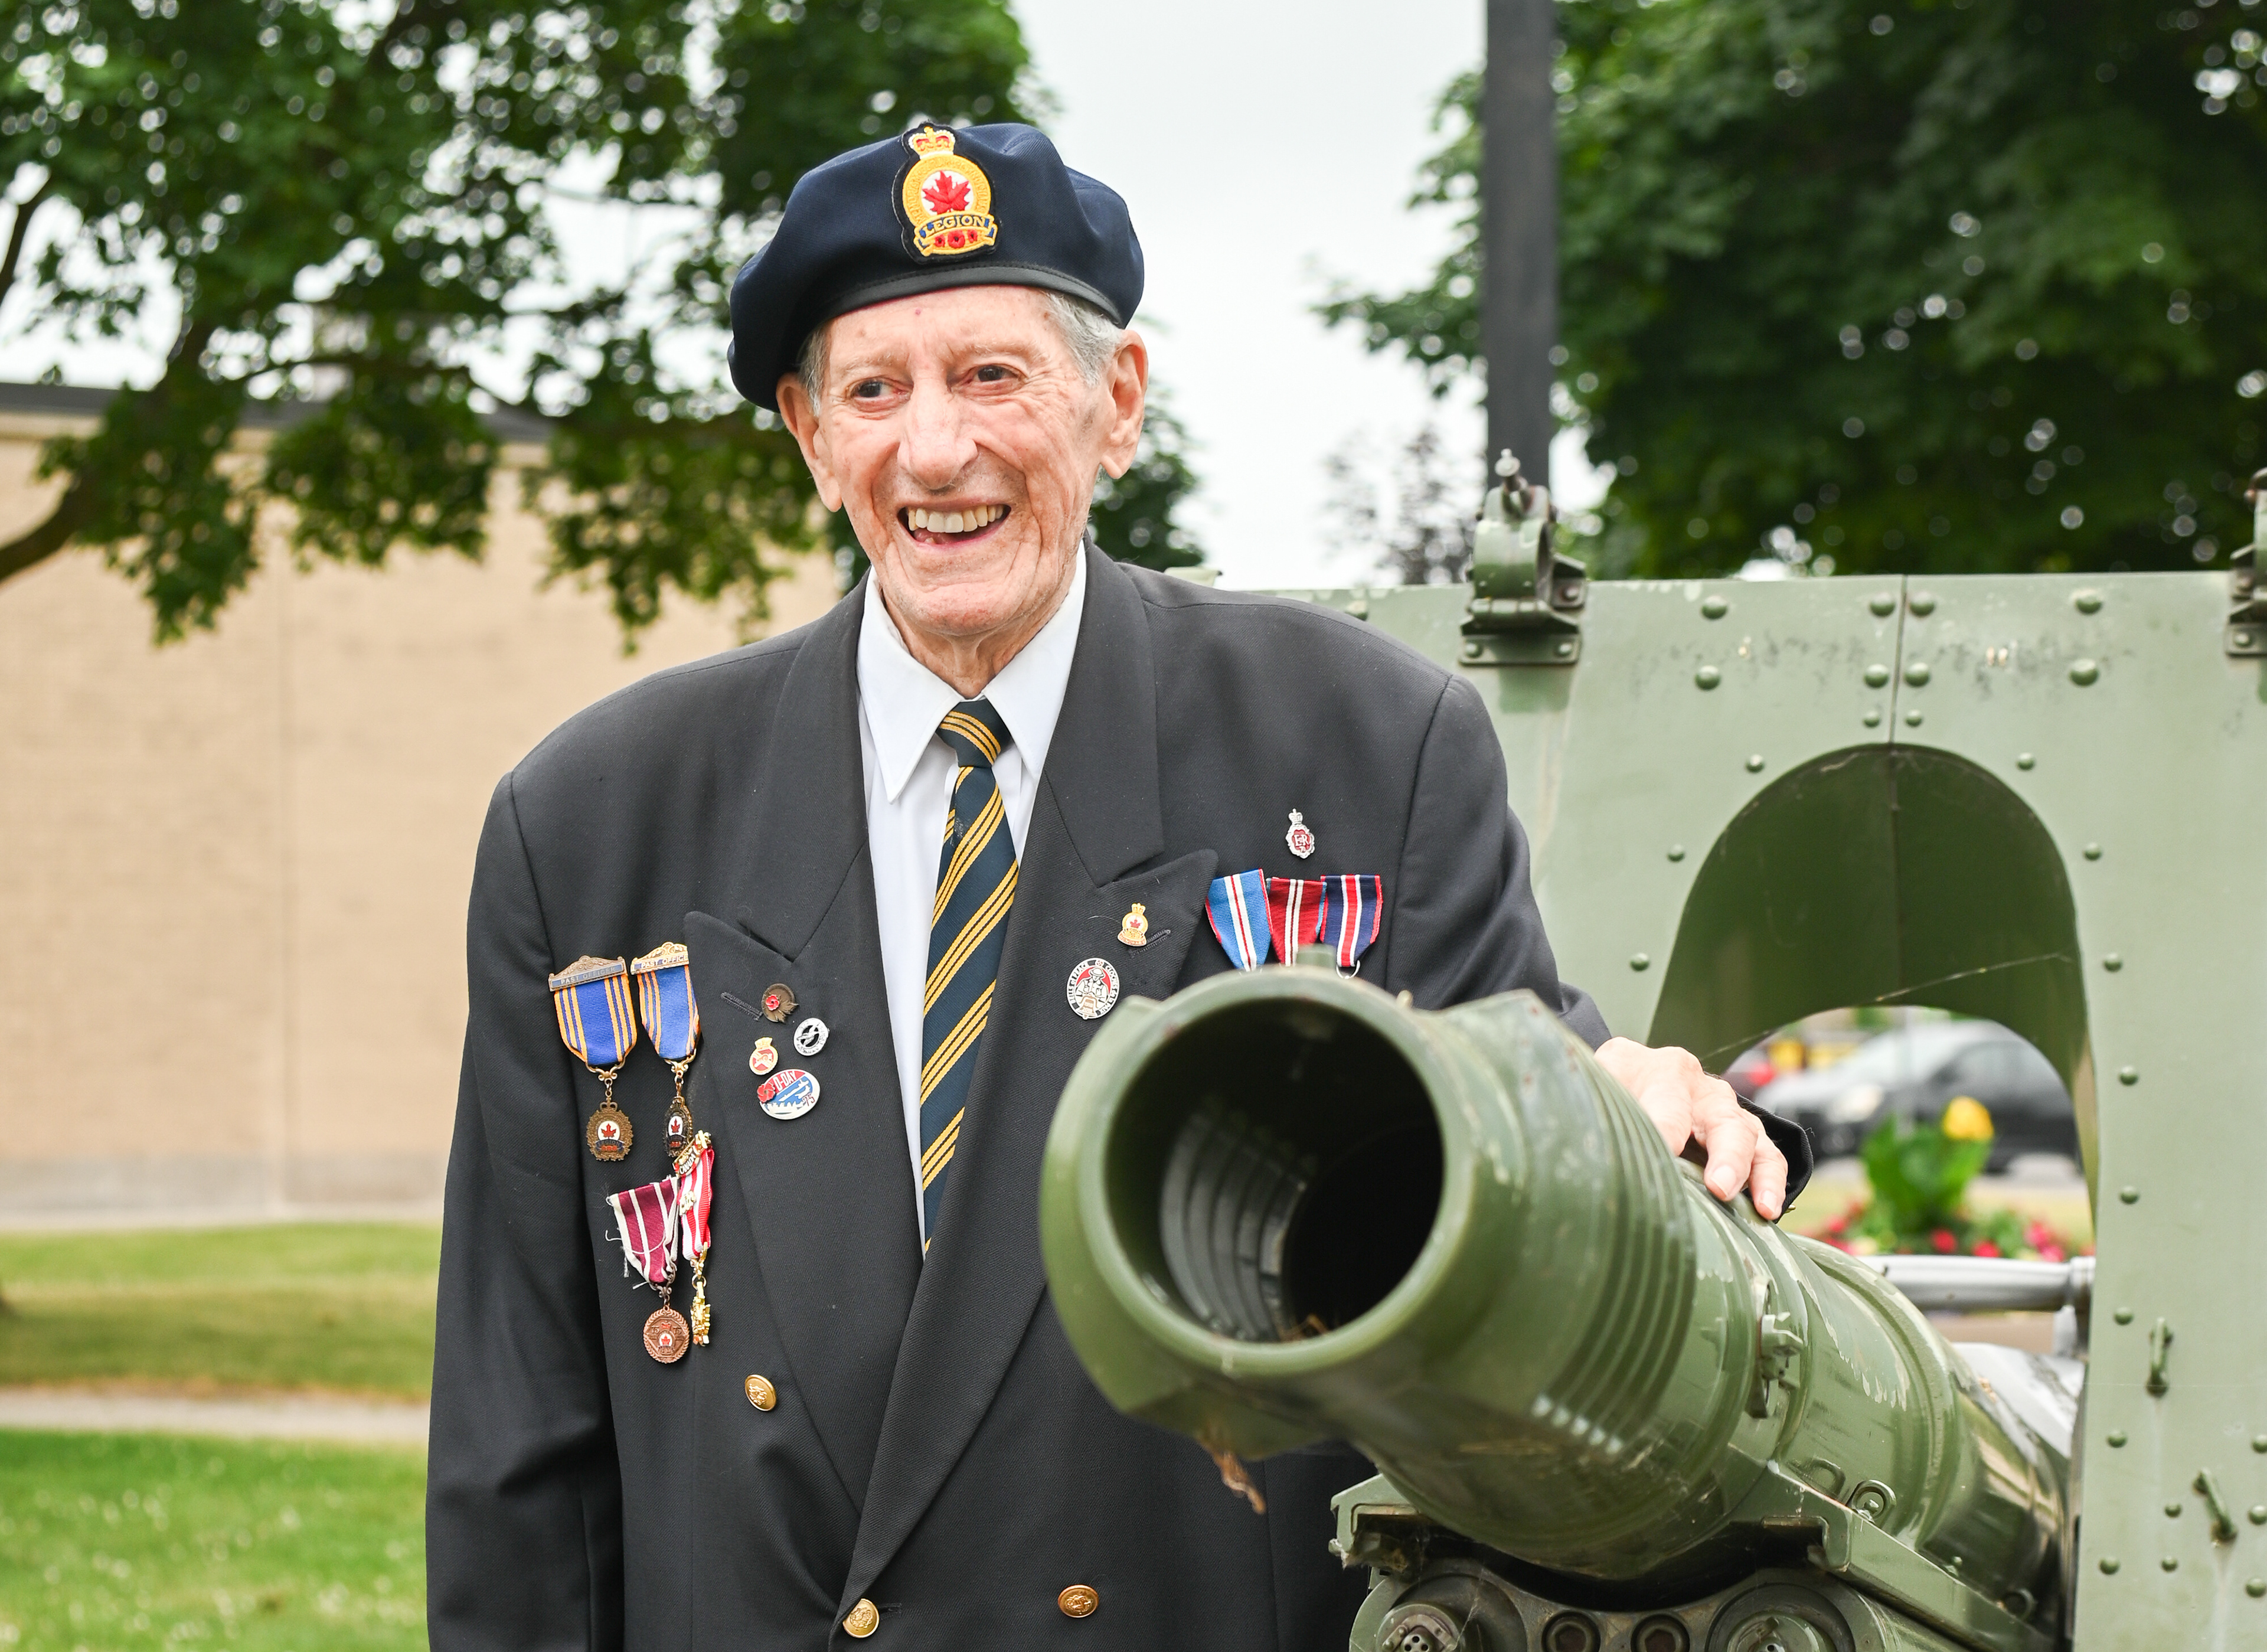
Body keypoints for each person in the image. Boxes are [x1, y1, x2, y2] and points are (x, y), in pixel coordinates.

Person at [426, 121, 1809, 1650]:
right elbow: (521, 1438)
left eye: (993, 376)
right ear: (812, 438)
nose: (936, 449)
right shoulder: (597, 817)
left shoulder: (1364, 746)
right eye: (874, 390)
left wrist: (1633, 1118)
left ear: (1117, 408)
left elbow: (1517, 1168)